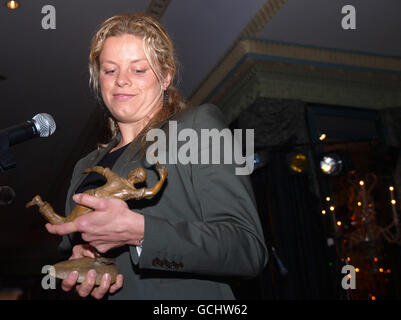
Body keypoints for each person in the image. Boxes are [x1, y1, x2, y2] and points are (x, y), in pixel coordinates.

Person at [46, 12, 268, 300]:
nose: (121, 81)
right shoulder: (84, 167)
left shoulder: (197, 127)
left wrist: (141, 233)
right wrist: (84, 258)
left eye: (138, 70)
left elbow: (247, 249)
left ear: (165, 77)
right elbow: (76, 248)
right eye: (110, 70)